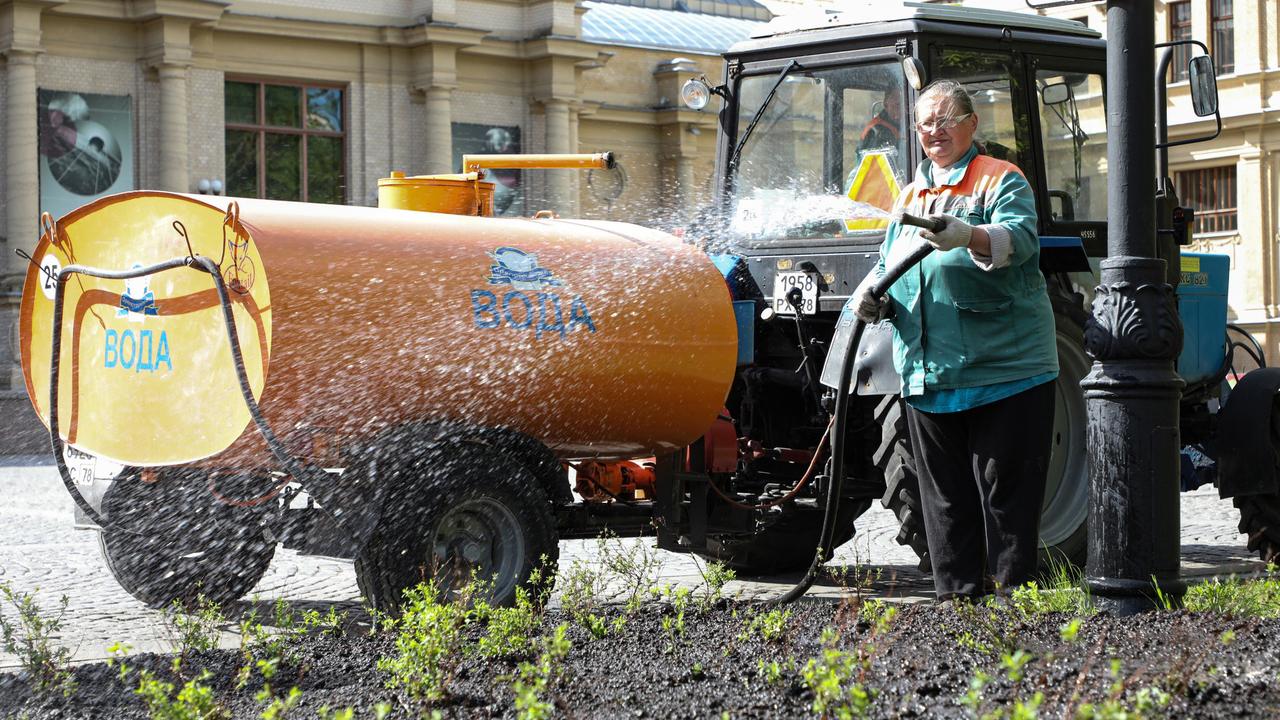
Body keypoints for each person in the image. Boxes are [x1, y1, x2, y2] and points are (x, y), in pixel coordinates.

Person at [854, 79, 1059, 603]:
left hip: (1005, 371)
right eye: (925, 123)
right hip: (927, 373)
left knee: (1005, 500)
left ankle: (1015, 609)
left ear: (972, 125)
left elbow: (1022, 242)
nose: (934, 131)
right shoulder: (910, 195)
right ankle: (957, 609)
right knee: (942, 504)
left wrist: (969, 234)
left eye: (945, 119)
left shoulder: (1000, 180)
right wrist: (871, 294)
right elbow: (887, 262)